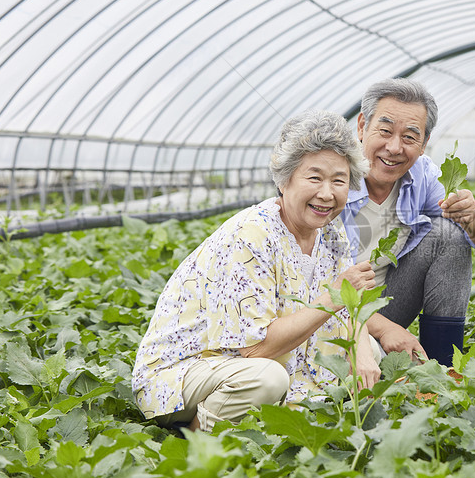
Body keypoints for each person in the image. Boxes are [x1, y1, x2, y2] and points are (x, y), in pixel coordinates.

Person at [132, 110, 380, 432]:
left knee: (368, 349)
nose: (327, 193)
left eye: (339, 181)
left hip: (248, 363)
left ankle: (279, 420)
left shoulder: (331, 233)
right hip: (185, 371)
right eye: (315, 178)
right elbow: (255, 348)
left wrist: (361, 354)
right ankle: (195, 436)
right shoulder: (251, 234)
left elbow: (349, 314)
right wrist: (333, 296)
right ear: (284, 179)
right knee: (267, 378)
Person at [340, 78, 475, 366]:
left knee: (449, 232)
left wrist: (472, 215)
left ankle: (441, 368)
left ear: (424, 143)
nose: (394, 147)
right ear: (361, 126)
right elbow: (310, 283)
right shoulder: (332, 180)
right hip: (331, 309)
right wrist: (383, 329)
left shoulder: (422, 175)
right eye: (385, 130)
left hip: (388, 303)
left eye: (409, 137)